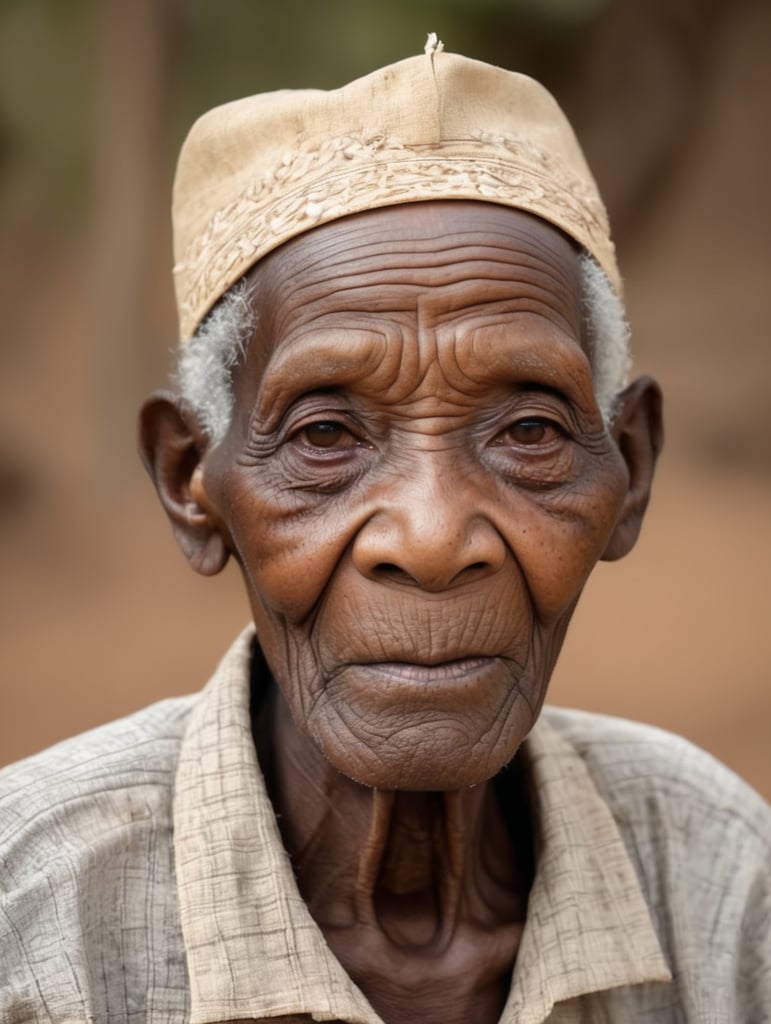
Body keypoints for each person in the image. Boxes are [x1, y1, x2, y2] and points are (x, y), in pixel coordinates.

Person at [1, 38, 769, 1024]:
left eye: (528, 429)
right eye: (326, 434)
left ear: (630, 469)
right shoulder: (34, 927)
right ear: (191, 480)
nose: (436, 534)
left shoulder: (723, 881)